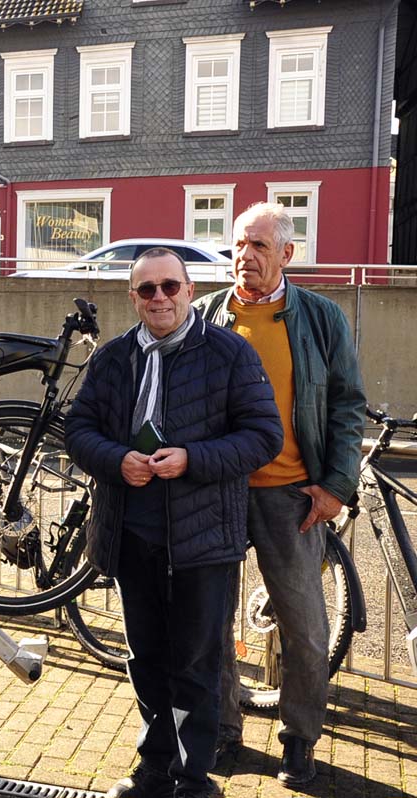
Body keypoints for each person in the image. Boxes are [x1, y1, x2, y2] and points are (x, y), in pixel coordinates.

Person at [65, 249, 282, 798]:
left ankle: (194, 780)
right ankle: (153, 769)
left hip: (202, 537)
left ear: (189, 290)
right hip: (132, 533)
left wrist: (193, 459)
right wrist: (116, 460)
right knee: (147, 658)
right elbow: (78, 429)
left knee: (196, 663)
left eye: (169, 287)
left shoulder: (231, 353)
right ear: (133, 297)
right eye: (146, 290)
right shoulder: (113, 358)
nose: (159, 298)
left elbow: (263, 436)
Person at [196, 203, 366, 785]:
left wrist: (337, 486)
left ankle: (298, 738)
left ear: (287, 255)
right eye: (240, 245)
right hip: (214, 493)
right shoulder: (203, 318)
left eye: (260, 246)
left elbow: (347, 405)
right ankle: (220, 730)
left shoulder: (321, 319)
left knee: (305, 627)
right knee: (209, 621)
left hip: (292, 495)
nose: (245, 256)